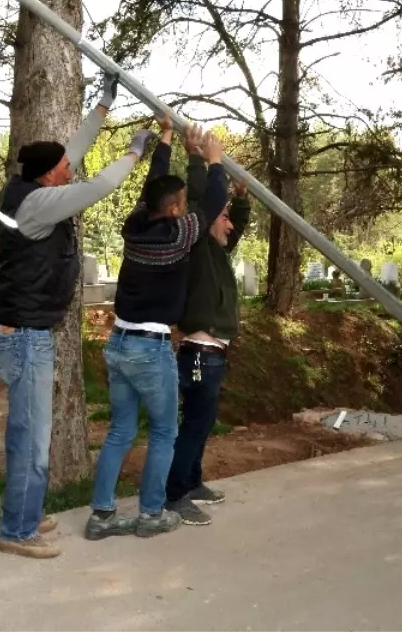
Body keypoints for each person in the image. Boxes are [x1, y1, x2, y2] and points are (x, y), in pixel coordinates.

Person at [0, 87, 154, 559]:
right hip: (24, 336)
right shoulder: (40, 205)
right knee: (33, 437)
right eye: (63, 168)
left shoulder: (30, 188)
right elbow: (99, 184)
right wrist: (134, 151)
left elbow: (73, 151)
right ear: (49, 175)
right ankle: (17, 532)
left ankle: (24, 509)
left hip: (19, 329)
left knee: (27, 430)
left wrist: (103, 104)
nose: (71, 168)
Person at [86, 122, 228, 541]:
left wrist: (167, 141)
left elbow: (151, 185)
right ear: (172, 210)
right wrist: (212, 160)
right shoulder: (178, 234)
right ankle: (151, 514)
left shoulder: (135, 226)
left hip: (119, 342)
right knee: (165, 430)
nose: (187, 208)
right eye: (182, 203)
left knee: (121, 431)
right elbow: (215, 199)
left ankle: (102, 516)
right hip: (151, 347)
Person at [164, 141, 252, 526]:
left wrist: (242, 200)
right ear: (211, 219)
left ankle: (194, 481)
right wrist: (199, 160)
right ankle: (175, 495)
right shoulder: (198, 245)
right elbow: (201, 197)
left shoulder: (216, 251)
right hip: (198, 355)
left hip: (214, 354)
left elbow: (236, 229)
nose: (230, 226)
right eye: (226, 218)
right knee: (194, 423)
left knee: (203, 423)